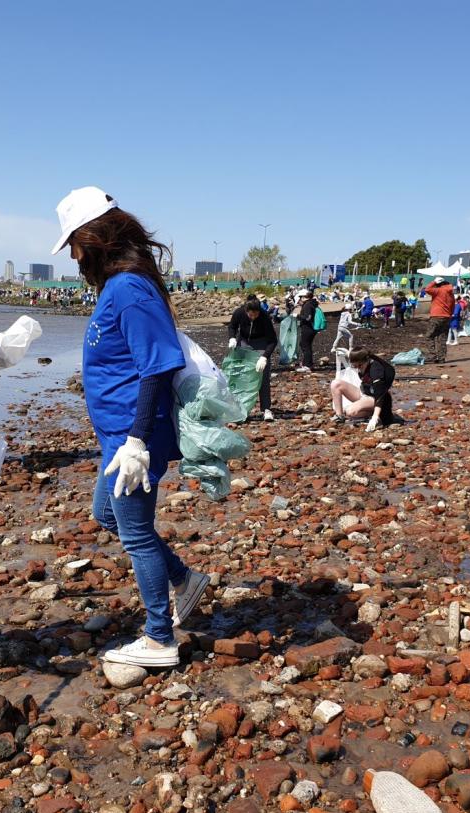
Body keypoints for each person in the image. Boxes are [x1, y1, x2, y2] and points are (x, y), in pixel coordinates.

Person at [50, 186, 209, 668]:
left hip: (132, 437)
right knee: (108, 514)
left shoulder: (131, 288)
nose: (73, 257)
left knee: (136, 533)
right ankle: (183, 579)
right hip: (117, 438)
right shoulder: (117, 286)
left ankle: (160, 637)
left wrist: (139, 439)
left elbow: (158, 365)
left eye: (74, 244)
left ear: (93, 237)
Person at [228, 296, 278, 421]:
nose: (254, 317)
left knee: (263, 375)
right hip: (243, 342)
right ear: (246, 311)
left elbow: (272, 340)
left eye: (256, 314)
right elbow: (232, 326)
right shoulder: (239, 312)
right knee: (240, 376)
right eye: (251, 315)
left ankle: (266, 409)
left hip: (260, 343)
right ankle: (240, 409)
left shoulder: (264, 316)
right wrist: (232, 338)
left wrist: (264, 357)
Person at [329, 347, 396, 431]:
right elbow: (354, 355)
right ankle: (339, 416)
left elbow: (380, 395)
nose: (358, 368)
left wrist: (375, 417)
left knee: (350, 411)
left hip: (376, 398)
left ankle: (376, 414)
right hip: (364, 393)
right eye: (355, 366)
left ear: (367, 360)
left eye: (360, 365)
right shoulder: (362, 362)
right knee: (336, 384)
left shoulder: (376, 370)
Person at [422, 277, 455, 363]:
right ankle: (441, 358)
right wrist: (449, 315)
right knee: (442, 338)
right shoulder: (451, 293)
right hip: (447, 317)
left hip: (436, 316)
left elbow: (427, 289)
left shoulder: (439, 290)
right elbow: (452, 307)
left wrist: (433, 282)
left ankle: (432, 355)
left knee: (429, 336)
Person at [296, 289, 320, 372]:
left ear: (304, 297)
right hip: (310, 328)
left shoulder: (308, 305)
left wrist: (297, 316)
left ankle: (307, 366)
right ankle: (308, 364)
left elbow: (307, 318)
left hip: (307, 328)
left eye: (300, 297)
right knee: (305, 345)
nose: (299, 299)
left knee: (305, 346)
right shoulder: (311, 304)